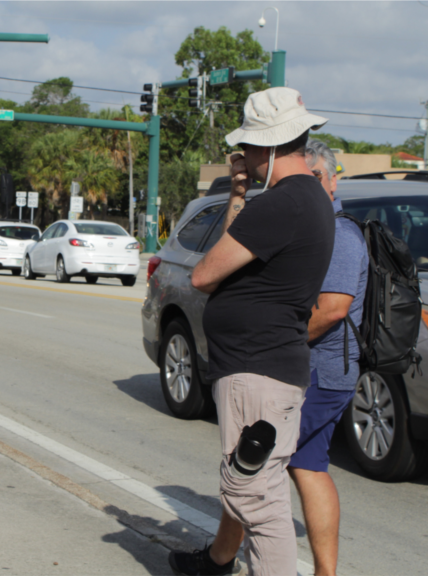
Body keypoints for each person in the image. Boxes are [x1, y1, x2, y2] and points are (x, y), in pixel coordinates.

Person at [169, 87, 336, 576]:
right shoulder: (308, 198)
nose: (244, 157)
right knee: (261, 490)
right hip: (270, 367)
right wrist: (240, 193)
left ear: (266, 146)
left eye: (248, 149)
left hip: (255, 371)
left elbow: (204, 274)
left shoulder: (285, 203)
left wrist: (244, 196)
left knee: (255, 500)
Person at [286, 140, 368, 576]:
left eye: (317, 177)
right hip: (319, 370)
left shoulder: (338, 234)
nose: (311, 186)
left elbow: (333, 308)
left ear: (333, 180)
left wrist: (282, 344)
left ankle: (222, 557)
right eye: (304, 178)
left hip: (320, 370)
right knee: (308, 465)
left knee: (256, 462)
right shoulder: (315, 228)